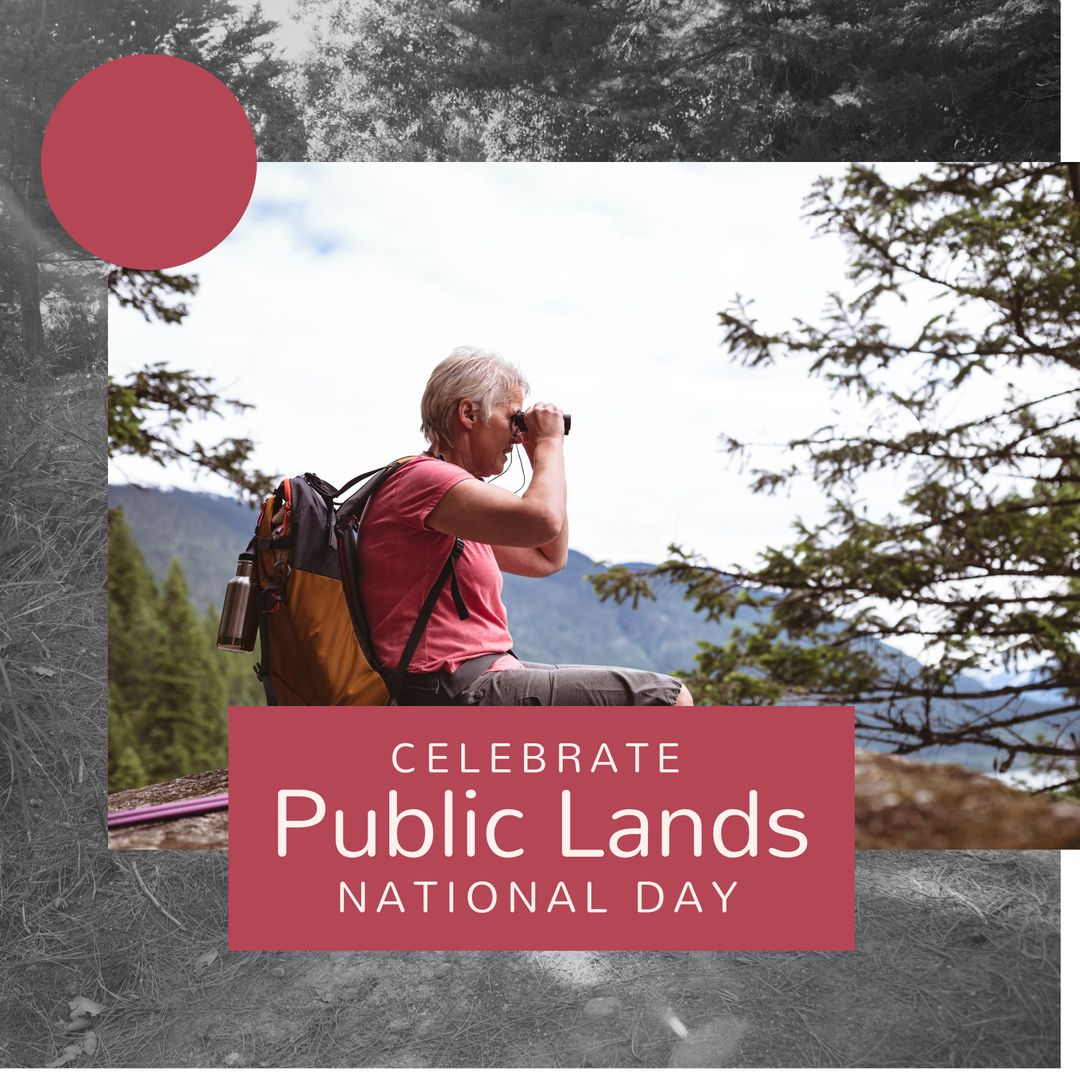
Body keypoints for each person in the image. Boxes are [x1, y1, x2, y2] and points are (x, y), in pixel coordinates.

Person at [358, 346, 693, 707]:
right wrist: (549, 443)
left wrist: (541, 459)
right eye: (512, 419)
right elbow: (542, 521)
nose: (517, 436)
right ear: (469, 413)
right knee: (668, 698)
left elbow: (548, 556)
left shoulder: (453, 500)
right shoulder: (424, 480)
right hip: (452, 687)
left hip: (479, 677)